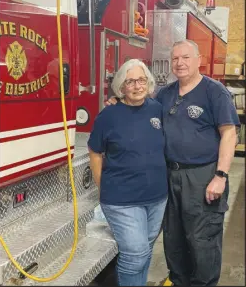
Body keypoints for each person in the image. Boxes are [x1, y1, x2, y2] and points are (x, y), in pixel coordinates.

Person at [106, 40, 240, 286]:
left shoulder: (214, 91)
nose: (180, 63)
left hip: (203, 176)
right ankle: (178, 281)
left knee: (203, 241)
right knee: (174, 240)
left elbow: (229, 133)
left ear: (199, 59)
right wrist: (118, 101)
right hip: (169, 177)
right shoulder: (165, 94)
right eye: (175, 58)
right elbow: (139, 103)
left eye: (186, 57)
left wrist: (220, 175)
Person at [88, 59, 168, 286]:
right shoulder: (109, 115)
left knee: (145, 251)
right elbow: (95, 151)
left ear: (148, 83)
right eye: (130, 81)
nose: (137, 86)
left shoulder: (157, 109)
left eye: (141, 80)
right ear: (121, 86)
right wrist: (101, 186)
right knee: (134, 255)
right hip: (122, 199)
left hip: (156, 197)